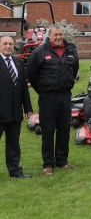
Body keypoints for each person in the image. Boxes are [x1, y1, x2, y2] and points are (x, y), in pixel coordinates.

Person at [26, 24, 79, 175]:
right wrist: (42, 90)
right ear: (49, 36)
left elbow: (74, 69)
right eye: (55, 35)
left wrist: (67, 83)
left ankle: (62, 160)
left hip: (65, 95)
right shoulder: (40, 52)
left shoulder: (71, 50)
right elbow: (31, 73)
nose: (58, 37)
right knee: (48, 130)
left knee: (64, 128)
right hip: (47, 97)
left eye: (60, 34)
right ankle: (48, 163)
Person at [0, 36, 33, 178]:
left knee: (14, 144)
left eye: (10, 44)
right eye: (5, 44)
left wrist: (27, 107)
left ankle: (15, 171)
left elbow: (23, 89)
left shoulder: (19, 63)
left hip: (14, 112)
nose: (8, 46)